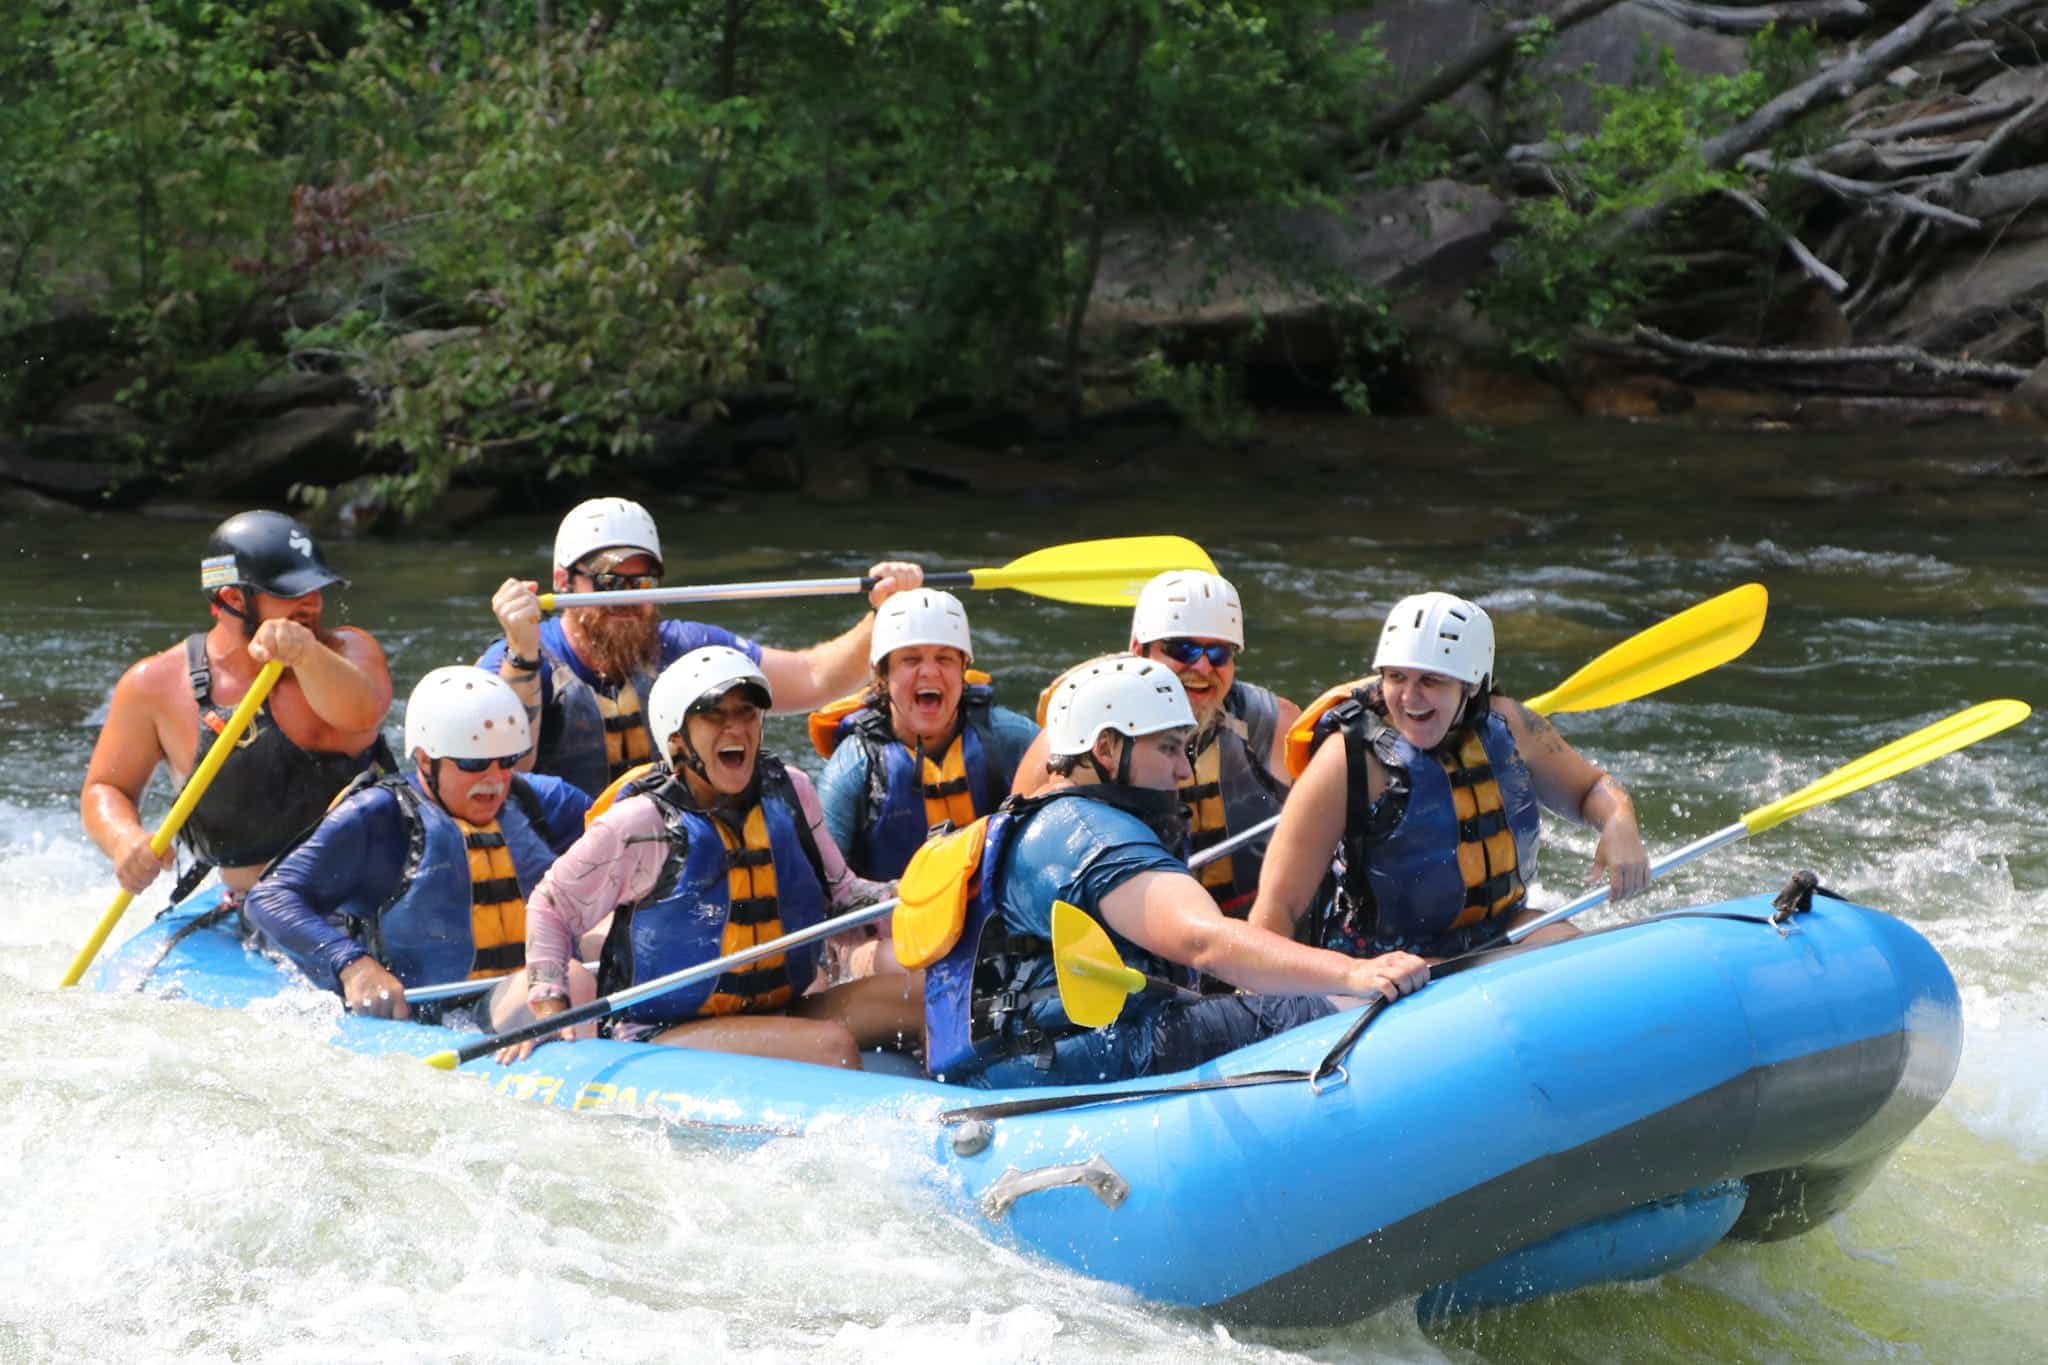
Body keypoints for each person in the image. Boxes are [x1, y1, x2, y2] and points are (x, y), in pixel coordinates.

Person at [896, 657, 1427, 1088]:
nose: (1183, 769)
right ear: (1105, 750)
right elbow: (1202, 942)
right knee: (1336, 1005)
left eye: (1186, 748)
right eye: (1168, 748)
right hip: (1075, 1061)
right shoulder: (1090, 834)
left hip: (1015, 1067)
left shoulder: (1047, 818)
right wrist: (1352, 972)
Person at [501, 646, 921, 1069]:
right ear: (677, 739)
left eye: (745, 713)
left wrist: (920, 900)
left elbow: (843, 896)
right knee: (830, 1047)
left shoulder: (792, 791)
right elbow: (551, 905)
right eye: (714, 715)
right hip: (661, 1035)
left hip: (781, 1010)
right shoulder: (640, 824)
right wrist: (550, 1008)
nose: (735, 728)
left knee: (924, 996)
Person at [1249, 591, 1651, 961]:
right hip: (1382, 961)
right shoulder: (1348, 760)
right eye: (1396, 678)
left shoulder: (1511, 725)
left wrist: (1618, 820)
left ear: (1471, 684)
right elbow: (1277, 905)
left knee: (1570, 945)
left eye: (1431, 681)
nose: (1409, 698)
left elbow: (1591, 788)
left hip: (1496, 931)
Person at [480, 496, 925, 795]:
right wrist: (522, 654)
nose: (628, 596)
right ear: (564, 582)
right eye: (610, 581)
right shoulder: (519, 658)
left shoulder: (682, 647)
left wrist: (885, 613)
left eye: (643, 581)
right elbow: (504, 775)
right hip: (565, 871)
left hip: (664, 854)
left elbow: (814, 679)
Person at [243, 667, 594, 1027]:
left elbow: (631, 838)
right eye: (472, 763)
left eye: (506, 761)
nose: (494, 779)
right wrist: (352, 965)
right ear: (426, 760)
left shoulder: (546, 801)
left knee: (589, 954)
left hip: (529, 992)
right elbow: (269, 898)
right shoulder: (381, 818)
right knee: (569, 979)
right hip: (432, 1017)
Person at [81, 510, 393, 902]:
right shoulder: (154, 685)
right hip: (254, 904)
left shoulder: (350, 651)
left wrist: (307, 656)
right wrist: (124, 839)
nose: (312, 604)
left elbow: (361, 714)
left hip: (373, 896)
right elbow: (107, 787)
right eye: (290, 592)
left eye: (316, 589)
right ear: (232, 599)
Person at [1011, 569, 1299, 915]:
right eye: (1183, 648)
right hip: (1133, 934)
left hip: (1254, 931)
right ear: (1139, 650)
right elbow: (1022, 862)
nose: (1203, 667)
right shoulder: (1072, 740)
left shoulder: (1274, 726)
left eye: (1219, 653)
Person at [810, 589, 1039, 881]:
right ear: (883, 675)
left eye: (944, 659)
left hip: (992, 918)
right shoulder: (854, 766)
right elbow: (826, 884)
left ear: (963, 670)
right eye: (911, 659)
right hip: (891, 920)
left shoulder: (1009, 738)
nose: (929, 672)